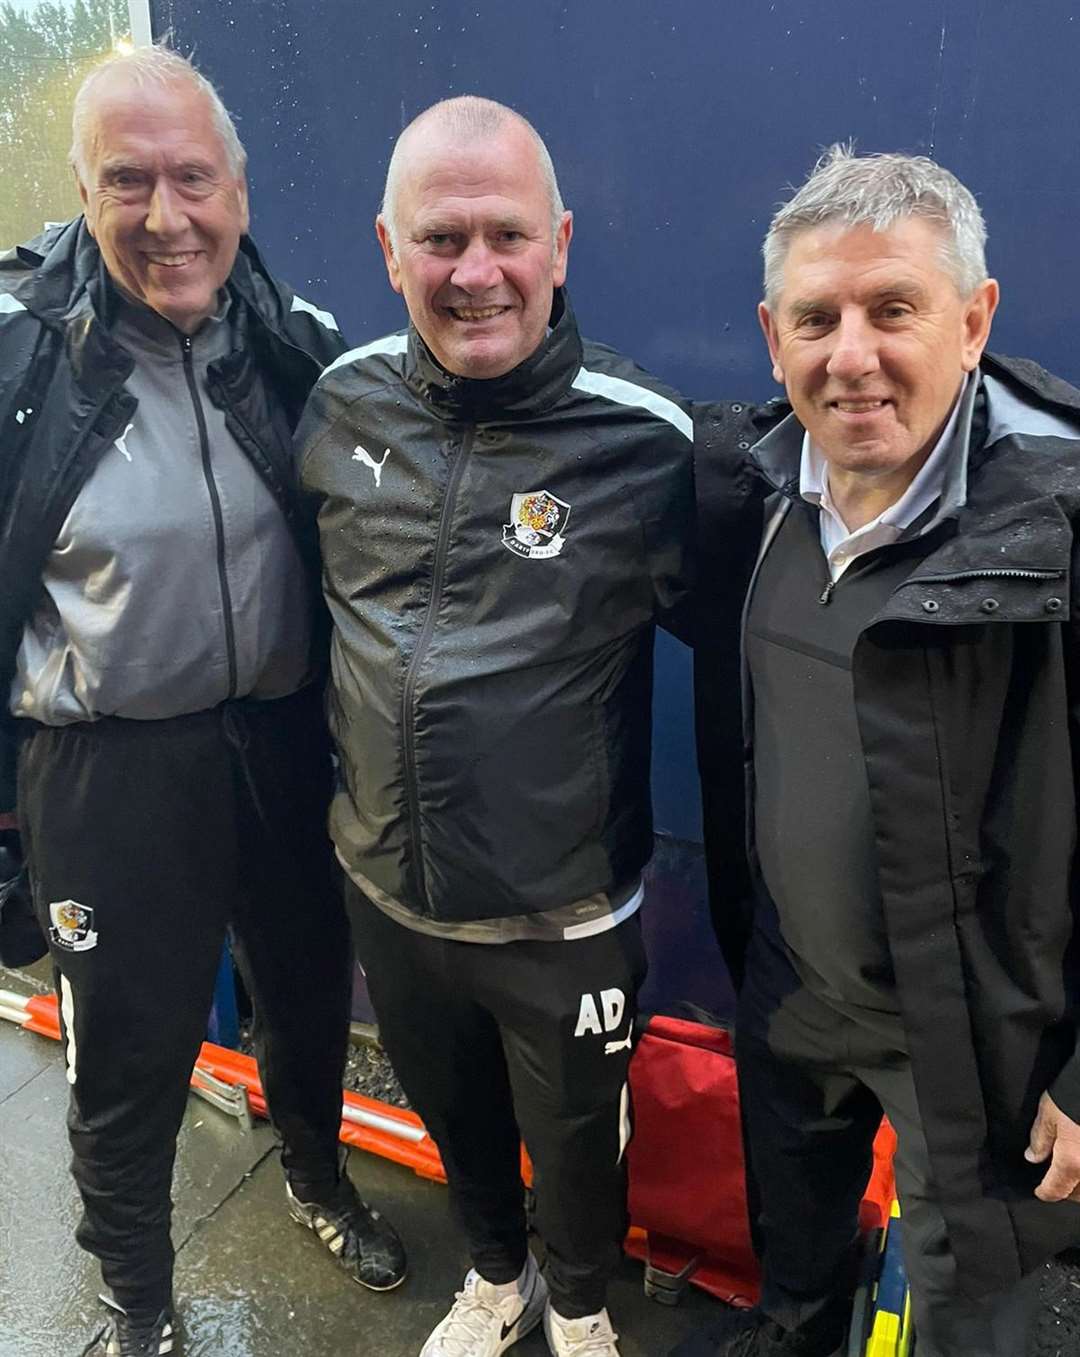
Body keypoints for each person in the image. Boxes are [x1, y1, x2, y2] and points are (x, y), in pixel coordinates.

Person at [0, 46, 405, 1357]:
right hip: (110, 769)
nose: (166, 215)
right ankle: (139, 1300)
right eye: (129, 180)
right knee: (126, 1059)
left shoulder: (295, 344)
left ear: (237, 188)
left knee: (302, 995)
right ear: (82, 188)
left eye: (192, 179)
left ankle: (316, 1176)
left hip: (284, 742)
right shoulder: (19, 365)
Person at [296, 95, 692, 1357]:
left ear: (561, 244)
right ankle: (496, 1278)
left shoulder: (651, 443)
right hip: (389, 889)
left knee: (578, 1144)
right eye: (441, 238)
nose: (476, 272)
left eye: (507, 236)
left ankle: (578, 1308)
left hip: (563, 918)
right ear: (387, 248)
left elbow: (783, 639)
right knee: (458, 1117)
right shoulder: (341, 405)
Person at [678, 146, 1080, 1357]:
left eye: (892, 309)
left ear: (974, 319)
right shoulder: (736, 498)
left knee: (968, 1319)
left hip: (980, 1039)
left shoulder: (1058, 533)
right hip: (793, 996)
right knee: (793, 1273)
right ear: (770, 334)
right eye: (817, 318)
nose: (850, 355)